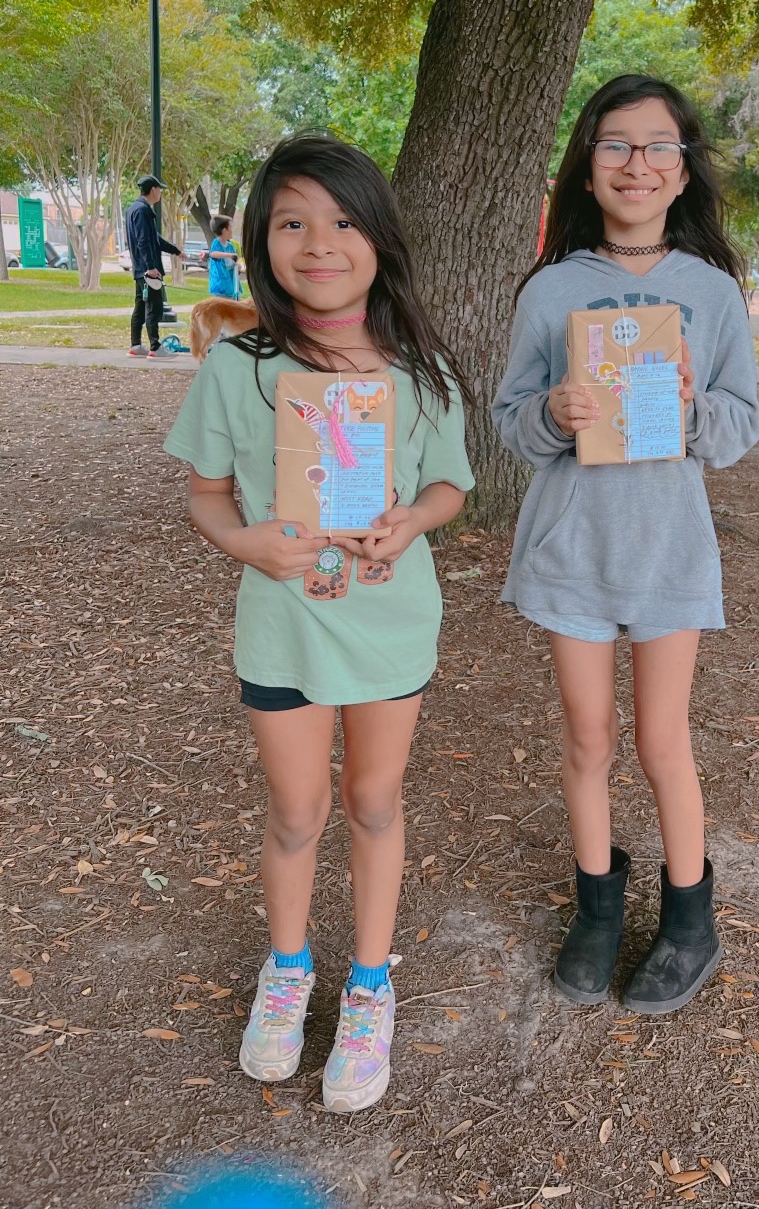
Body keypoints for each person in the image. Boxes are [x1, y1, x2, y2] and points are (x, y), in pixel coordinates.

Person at [163, 135, 474, 1112]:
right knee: (296, 810)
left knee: (374, 803)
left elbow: (449, 485)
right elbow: (206, 498)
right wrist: (245, 544)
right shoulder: (239, 367)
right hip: (283, 629)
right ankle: (288, 969)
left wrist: (410, 521)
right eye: (292, 222)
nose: (318, 242)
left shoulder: (419, 371)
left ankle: (371, 987)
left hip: (387, 626)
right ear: (263, 241)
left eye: (340, 221)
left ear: (378, 238)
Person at [492, 75, 759, 1016]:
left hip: (669, 549)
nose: (637, 164)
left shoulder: (713, 294)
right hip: (573, 549)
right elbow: (510, 420)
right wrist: (553, 412)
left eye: (658, 147)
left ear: (683, 172)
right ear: (588, 163)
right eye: (616, 145)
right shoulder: (553, 290)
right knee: (588, 737)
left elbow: (738, 428)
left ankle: (691, 920)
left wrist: (690, 405)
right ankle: (597, 905)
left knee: (660, 742)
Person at [126, 174, 182, 358]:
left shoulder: (133, 209)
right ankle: (155, 347)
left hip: (139, 269)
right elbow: (143, 241)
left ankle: (135, 345)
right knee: (154, 307)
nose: (160, 194)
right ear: (153, 190)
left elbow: (155, 239)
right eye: (160, 190)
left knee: (141, 306)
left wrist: (175, 251)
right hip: (148, 270)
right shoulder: (143, 211)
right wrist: (150, 267)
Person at [208, 215, 240, 299]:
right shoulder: (216, 243)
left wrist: (238, 265)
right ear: (224, 230)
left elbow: (234, 260)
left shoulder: (230, 246)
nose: (232, 231)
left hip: (231, 283)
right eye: (230, 228)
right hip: (220, 285)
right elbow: (213, 254)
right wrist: (229, 255)